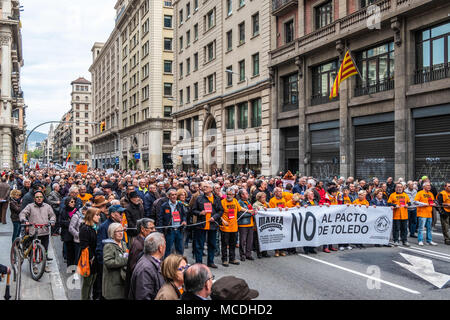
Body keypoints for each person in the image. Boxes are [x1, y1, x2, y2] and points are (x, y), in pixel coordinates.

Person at [19, 190, 56, 272]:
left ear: (43, 198)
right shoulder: (30, 206)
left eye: (41, 197)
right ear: (34, 198)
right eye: (37, 197)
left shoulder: (47, 206)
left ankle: (45, 264)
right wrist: (25, 220)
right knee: (34, 250)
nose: (39, 199)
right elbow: (22, 213)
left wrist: (52, 221)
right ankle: (34, 266)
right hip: (33, 231)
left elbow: (52, 215)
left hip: (44, 231)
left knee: (45, 250)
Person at [94, 204, 124, 300]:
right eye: (120, 213)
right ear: (112, 214)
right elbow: (100, 247)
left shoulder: (118, 225)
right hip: (108, 266)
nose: (122, 215)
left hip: (117, 265)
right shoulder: (104, 226)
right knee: (104, 290)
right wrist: (104, 265)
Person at [192, 181, 224, 268]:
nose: (204, 188)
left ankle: (211, 261)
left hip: (212, 225)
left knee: (212, 244)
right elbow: (193, 210)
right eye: (204, 186)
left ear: (211, 189)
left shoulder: (216, 198)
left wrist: (215, 217)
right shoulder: (199, 198)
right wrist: (200, 213)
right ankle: (199, 262)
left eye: (206, 186)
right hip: (201, 225)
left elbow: (221, 211)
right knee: (199, 245)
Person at [129, 232, 166, 300]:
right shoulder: (145, 269)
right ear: (160, 248)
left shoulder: (151, 262)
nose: (165, 246)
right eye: (165, 244)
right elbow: (143, 297)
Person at [125, 218, 156, 297]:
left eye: (154, 228)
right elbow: (134, 268)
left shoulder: (144, 242)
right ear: (142, 229)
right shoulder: (138, 245)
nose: (154, 230)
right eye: (151, 228)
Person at [157, 189, 187, 258]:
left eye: (175, 194)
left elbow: (184, 215)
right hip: (170, 231)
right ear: (168, 196)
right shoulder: (164, 206)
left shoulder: (180, 204)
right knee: (168, 250)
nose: (174, 196)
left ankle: (179, 264)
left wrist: (184, 221)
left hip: (179, 230)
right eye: (172, 195)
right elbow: (160, 219)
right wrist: (161, 232)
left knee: (180, 250)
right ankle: (167, 266)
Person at [79, 208, 101, 300]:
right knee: (87, 283)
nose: (99, 217)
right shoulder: (85, 228)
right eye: (97, 215)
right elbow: (84, 245)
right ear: (91, 216)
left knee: (92, 281)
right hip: (89, 259)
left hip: (94, 258)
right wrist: (91, 258)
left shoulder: (94, 227)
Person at [102, 223, 128, 300]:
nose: (121, 233)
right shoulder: (109, 246)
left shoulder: (123, 243)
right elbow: (108, 262)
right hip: (113, 283)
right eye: (118, 231)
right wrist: (125, 260)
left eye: (122, 231)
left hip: (122, 280)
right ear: (112, 233)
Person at [220, 188, 243, 267]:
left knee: (232, 244)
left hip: (234, 226)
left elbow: (240, 209)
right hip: (225, 227)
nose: (229, 196)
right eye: (228, 194)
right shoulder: (222, 202)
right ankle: (224, 259)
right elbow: (218, 213)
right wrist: (223, 221)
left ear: (234, 195)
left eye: (231, 194)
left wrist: (249, 210)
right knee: (224, 244)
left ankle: (232, 258)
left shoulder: (235, 201)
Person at [414, 182, 437, 246]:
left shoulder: (430, 194)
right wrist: (424, 204)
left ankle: (429, 240)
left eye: (430, 185)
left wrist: (433, 204)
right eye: (428, 185)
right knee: (421, 228)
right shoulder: (420, 193)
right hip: (422, 213)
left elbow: (431, 202)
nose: (429, 186)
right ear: (424, 186)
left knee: (429, 228)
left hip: (429, 213)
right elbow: (415, 202)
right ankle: (420, 240)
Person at [237, 189, 256, 261]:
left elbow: (251, 210)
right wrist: (251, 213)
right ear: (242, 195)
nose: (248, 194)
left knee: (249, 240)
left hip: (250, 224)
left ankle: (248, 254)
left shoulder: (248, 202)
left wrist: (254, 211)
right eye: (246, 194)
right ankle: (242, 255)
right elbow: (240, 214)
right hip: (243, 224)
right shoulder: (239, 203)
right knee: (242, 241)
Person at [60, 197, 78, 268]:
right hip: (67, 233)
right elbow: (61, 222)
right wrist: (70, 223)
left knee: (75, 251)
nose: (73, 203)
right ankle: (70, 265)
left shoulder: (76, 211)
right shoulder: (63, 211)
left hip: (75, 233)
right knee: (69, 251)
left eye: (74, 202)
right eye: (71, 202)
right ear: (67, 203)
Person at [253, 192, 270, 258]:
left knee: (265, 238)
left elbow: (273, 209)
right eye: (263, 197)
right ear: (259, 198)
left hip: (265, 224)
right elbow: (256, 211)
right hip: (258, 225)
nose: (264, 198)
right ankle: (259, 253)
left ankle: (265, 252)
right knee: (258, 239)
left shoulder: (266, 203)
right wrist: (262, 209)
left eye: (265, 197)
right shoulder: (255, 204)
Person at [301, 189, 318, 254]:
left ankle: (312, 248)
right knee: (307, 234)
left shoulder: (315, 201)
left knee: (313, 234)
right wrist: (304, 206)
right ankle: (306, 248)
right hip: (307, 220)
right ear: (307, 195)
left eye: (313, 194)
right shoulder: (304, 202)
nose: (313, 195)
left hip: (314, 220)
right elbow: (302, 208)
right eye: (311, 194)